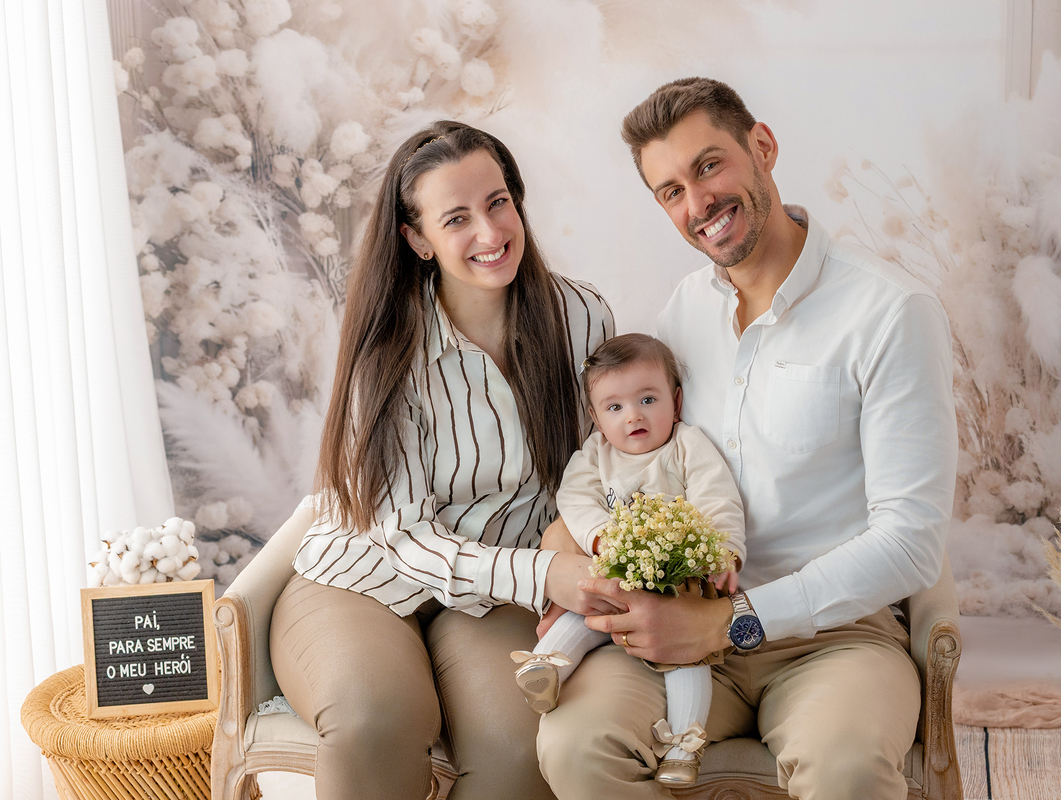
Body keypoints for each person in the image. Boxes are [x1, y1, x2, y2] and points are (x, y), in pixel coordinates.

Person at [537, 78, 958, 800]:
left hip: (836, 636)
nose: (698, 203)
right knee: (575, 746)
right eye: (671, 191)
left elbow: (912, 540)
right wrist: (570, 553)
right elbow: (633, 463)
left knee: (849, 769)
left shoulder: (890, 312)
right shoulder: (683, 312)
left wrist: (731, 622)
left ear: (762, 146)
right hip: (676, 617)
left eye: (709, 166)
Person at [268, 120, 615, 800]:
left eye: (498, 202)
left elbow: (599, 463)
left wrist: (576, 541)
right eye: (456, 218)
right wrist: (547, 572)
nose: (489, 232)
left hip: (494, 594)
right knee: (377, 721)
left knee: (522, 747)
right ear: (417, 238)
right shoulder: (388, 351)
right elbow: (402, 538)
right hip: (365, 579)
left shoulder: (581, 316)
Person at [511, 333, 745, 788]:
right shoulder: (595, 455)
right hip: (616, 576)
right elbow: (575, 500)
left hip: (678, 587)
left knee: (685, 656)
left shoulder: (687, 446)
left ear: (676, 402)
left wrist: (723, 552)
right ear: (596, 418)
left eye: (648, 400)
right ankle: (547, 666)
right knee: (585, 613)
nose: (633, 415)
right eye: (614, 407)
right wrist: (602, 538)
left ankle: (684, 747)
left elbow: (718, 499)